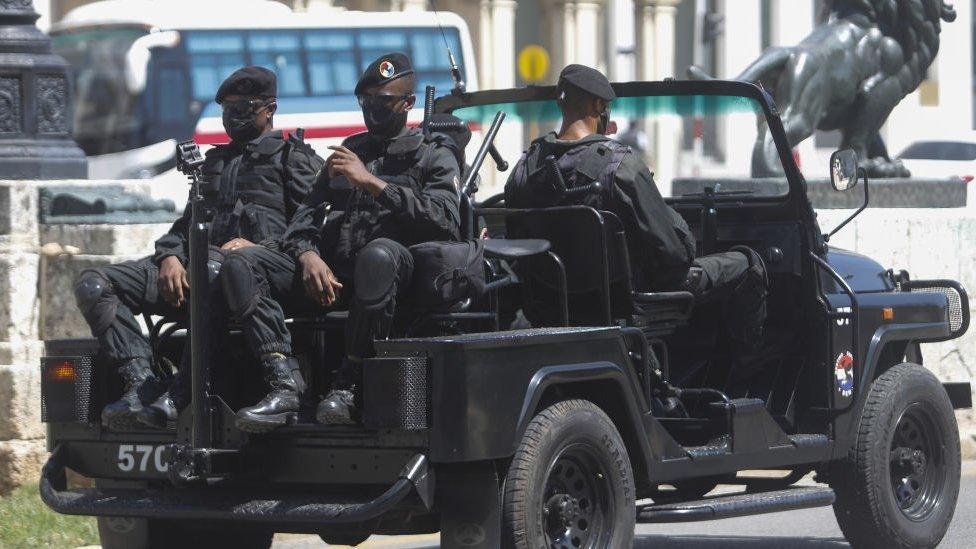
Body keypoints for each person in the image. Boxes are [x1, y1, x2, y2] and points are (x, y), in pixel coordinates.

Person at [221, 52, 461, 431]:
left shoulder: (434, 155)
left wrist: (372, 183)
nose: (372, 111)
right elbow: (302, 219)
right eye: (365, 102)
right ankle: (284, 384)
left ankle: (348, 385)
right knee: (242, 262)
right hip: (334, 280)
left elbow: (445, 220)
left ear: (408, 104)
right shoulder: (350, 151)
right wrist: (307, 254)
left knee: (378, 255)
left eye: (382, 103)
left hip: (398, 286)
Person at [73, 66, 323, 431]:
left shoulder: (292, 158)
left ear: (269, 109)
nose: (234, 116)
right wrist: (171, 255)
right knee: (95, 284)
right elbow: (186, 223)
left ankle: (186, 390)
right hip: (201, 265)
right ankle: (142, 382)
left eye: (245, 106)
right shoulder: (213, 164)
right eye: (228, 108)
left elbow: (311, 225)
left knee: (215, 268)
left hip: (262, 273)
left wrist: (258, 246)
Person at [504, 64, 767, 359]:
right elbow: (677, 255)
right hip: (625, 304)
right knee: (749, 263)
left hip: (549, 308)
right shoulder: (620, 167)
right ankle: (745, 371)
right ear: (598, 105)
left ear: (561, 103)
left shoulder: (525, 167)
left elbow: (516, 244)